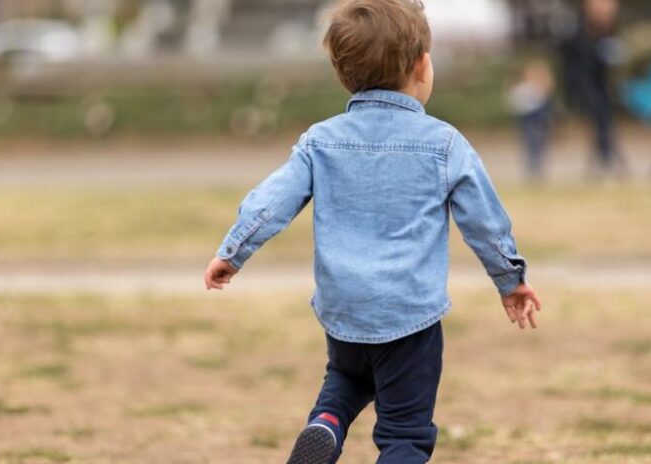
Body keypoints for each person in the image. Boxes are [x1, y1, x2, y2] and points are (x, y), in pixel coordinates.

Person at [202, 1, 542, 462]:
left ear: (343, 73)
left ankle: (326, 423)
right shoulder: (444, 145)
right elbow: (485, 221)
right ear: (421, 66)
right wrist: (510, 278)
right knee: (405, 433)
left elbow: (272, 199)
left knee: (347, 377)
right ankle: (367, 436)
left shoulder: (321, 140)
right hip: (409, 313)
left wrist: (233, 251)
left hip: (344, 307)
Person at [558, 0, 624, 177]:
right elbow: (571, 65)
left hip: (601, 87)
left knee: (604, 125)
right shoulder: (577, 33)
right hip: (584, 86)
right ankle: (606, 161)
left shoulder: (608, 33)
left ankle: (606, 160)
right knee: (600, 124)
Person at [507, 60, 555, 180]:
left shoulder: (537, 88)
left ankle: (536, 167)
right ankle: (532, 167)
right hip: (527, 118)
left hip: (537, 117)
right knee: (531, 142)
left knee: (537, 142)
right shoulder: (523, 88)